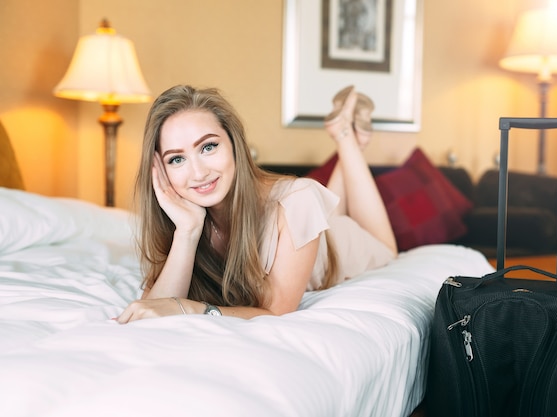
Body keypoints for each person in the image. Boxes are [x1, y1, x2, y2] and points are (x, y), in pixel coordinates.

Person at [116, 84, 397, 324]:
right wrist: (187, 232)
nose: (198, 173)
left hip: (338, 244)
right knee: (320, 205)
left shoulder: (298, 201)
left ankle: (346, 137)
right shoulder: (183, 219)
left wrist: (191, 307)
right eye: (176, 159)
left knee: (387, 249)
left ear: (234, 144)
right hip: (304, 227)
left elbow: (275, 311)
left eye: (208, 147)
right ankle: (346, 134)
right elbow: (152, 310)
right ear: (160, 171)